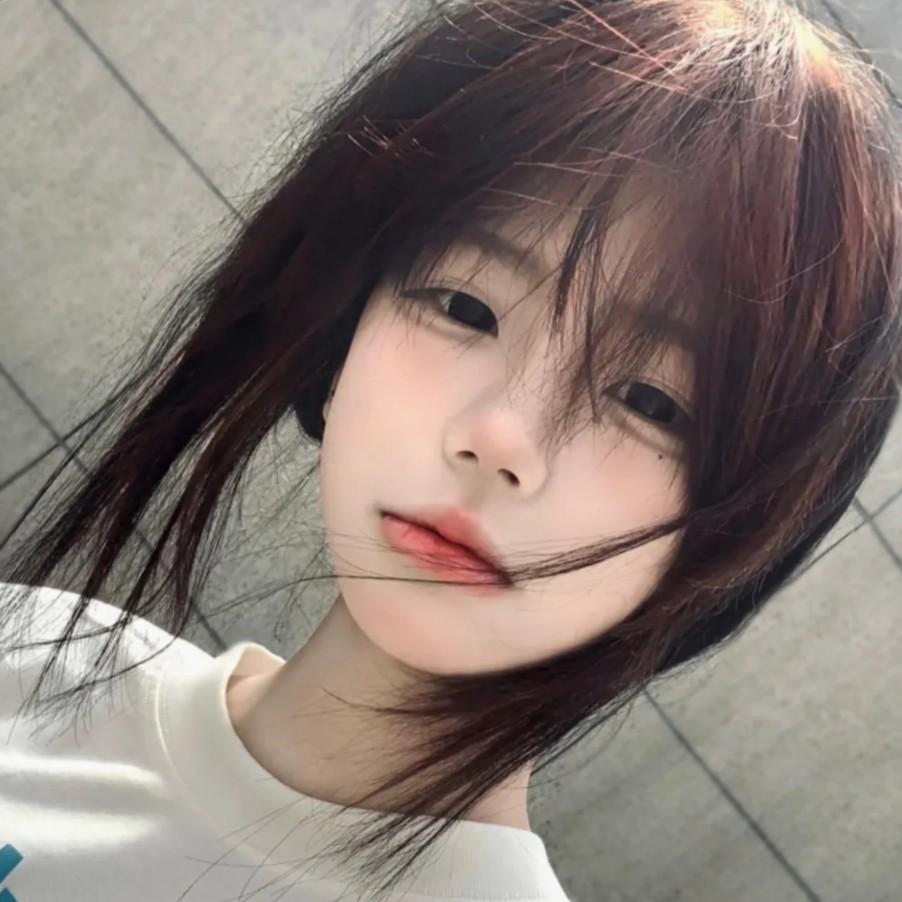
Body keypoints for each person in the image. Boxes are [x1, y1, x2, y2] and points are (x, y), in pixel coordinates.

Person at [1, 0, 901, 900]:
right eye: (465, 307)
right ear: (343, 329)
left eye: (650, 402)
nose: (502, 438)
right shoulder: (28, 658)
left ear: (738, 531)